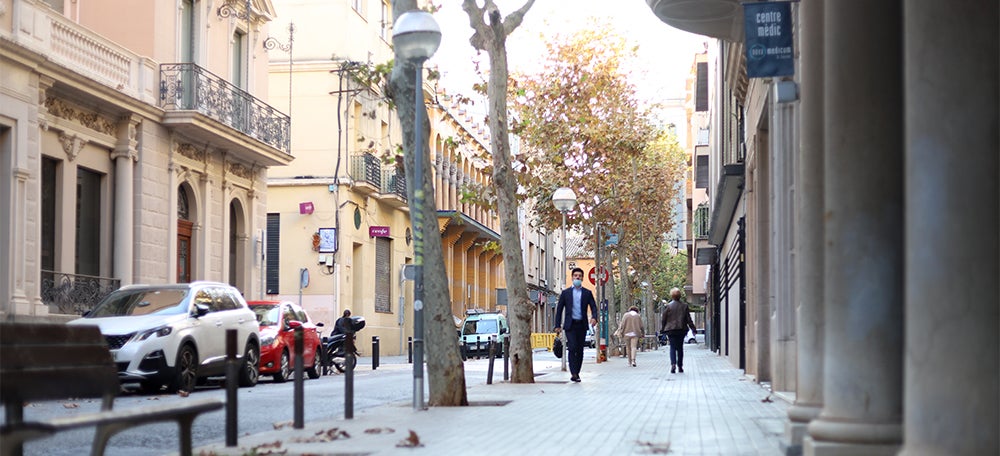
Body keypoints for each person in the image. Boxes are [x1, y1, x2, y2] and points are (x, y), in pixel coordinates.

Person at [554, 267, 598, 383]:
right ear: (572, 277)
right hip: (570, 325)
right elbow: (559, 310)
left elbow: (593, 307)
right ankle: (573, 373)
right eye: (575, 276)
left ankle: (577, 372)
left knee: (579, 349)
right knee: (572, 347)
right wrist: (557, 325)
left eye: (579, 276)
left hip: (582, 325)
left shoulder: (587, 293)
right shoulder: (566, 293)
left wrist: (594, 317)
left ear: (582, 278)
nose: (577, 277)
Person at [660, 288, 697, 373]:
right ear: (680, 296)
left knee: (672, 347)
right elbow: (688, 319)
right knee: (680, 348)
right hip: (681, 329)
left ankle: (673, 364)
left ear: (672, 296)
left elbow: (664, 319)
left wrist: (663, 329)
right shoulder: (684, 306)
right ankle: (680, 366)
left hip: (671, 330)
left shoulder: (668, 306)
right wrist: (693, 329)